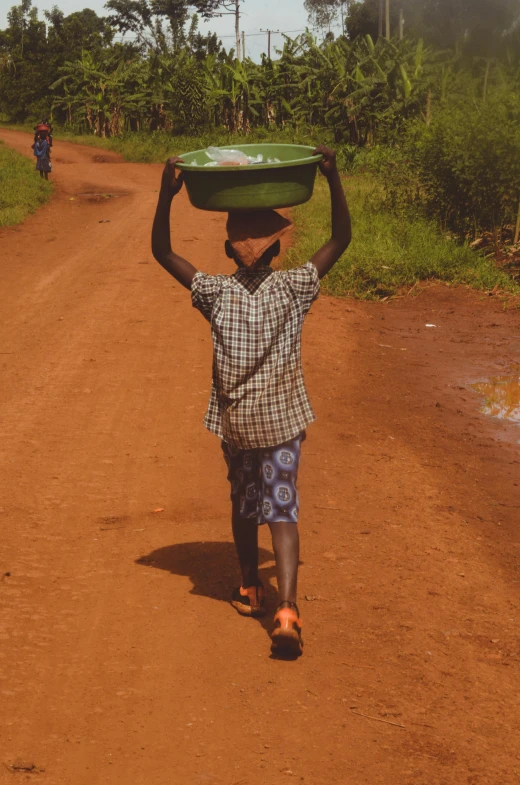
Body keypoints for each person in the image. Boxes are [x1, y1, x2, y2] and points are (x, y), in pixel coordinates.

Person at [151, 146, 351, 656]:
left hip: (237, 424)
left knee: (244, 501)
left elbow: (163, 252)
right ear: (277, 250)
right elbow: (341, 238)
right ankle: (287, 610)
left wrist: (166, 195)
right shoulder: (295, 288)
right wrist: (331, 178)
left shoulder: (215, 293)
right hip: (282, 422)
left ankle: (248, 586)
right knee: (282, 505)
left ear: (226, 251)